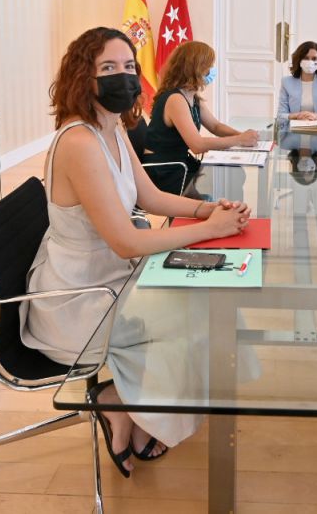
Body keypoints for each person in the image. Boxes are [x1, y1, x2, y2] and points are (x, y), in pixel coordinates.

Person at [21, 27, 252, 476]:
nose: (122, 77)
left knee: (211, 302)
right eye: (108, 68)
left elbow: (147, 197)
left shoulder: (111, 126)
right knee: (198, 316)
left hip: (113, 276)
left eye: (129, 67)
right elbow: (126, 240)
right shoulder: (80, 142)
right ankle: (121, 403)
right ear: (81, 77)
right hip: (80, 299)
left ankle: (141, 408)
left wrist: (207, 209)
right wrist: (208, 231)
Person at [143, 41, 259, 194]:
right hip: (165, 169)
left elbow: (215, 126)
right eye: (209, 66)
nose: (212, 70)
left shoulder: (191, 96)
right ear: (196, 68)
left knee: (234, 174)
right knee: (226, 183)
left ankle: (232, 216)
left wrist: (243, 136)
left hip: (180, 162)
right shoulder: (175, 99)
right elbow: (197, 145)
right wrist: (239, 140)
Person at [277, 40, 317, 126]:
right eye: (306, 58)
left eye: (314, 58)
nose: (310, 62)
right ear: (299, 60)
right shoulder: (286, 82)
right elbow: (280, 116)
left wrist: (316, 116)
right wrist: (299, 115)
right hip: (293, 134)